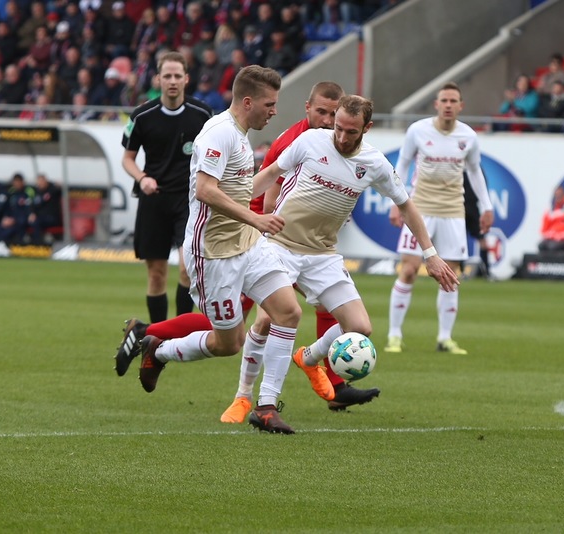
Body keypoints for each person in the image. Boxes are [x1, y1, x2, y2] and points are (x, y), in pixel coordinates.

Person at [244, 93, 458, 414]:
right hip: (280, 246)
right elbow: (271, 173)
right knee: (273, 317)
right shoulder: (312, 141)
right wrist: (233, 204)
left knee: (360, 327)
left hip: (323, 255)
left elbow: (407, 207)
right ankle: (263, 403)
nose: (342, 138)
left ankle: (308, 357)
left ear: (367, 128)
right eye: (338, 128)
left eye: (351, 132)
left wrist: (430, 254)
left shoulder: (374, 163)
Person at [135, 65, 310, 435]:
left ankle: (265, 406)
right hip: (213, 253)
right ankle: (158, 350)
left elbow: (243, 187)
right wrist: (256, 218)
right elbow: (205, 190)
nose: (274, 111)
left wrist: (281, 167)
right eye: (269, 103)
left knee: (288, 312)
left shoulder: (241, 134)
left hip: (248, 245)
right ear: (248, 102)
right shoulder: (218, 134)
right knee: (228, 344)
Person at [385, 82, 494, 355]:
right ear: (436, 104)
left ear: (460, 106)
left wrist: (487, 206)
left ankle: (445, 338)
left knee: (450, 275)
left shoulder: (468, 137)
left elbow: (476, 173)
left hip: (453, 212)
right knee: (408, 269)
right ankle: (394, 335)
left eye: (452, 100)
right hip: (419, 208)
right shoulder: (418, 131)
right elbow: (403, 164)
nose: (448, 105)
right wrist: (396, 201)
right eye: (443, 100)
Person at [120, 51, 213, 326]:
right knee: (157, 274)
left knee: (187, 269)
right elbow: (127, 159)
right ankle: (157, 336)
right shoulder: (141, 116)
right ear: (158, 79)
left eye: (177, 76)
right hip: (154, 200)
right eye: (167, 76)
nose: (172, 81)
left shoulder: (203, 114)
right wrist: (142, 178)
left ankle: (181, 335)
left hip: (190, 200)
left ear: (186, 79)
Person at [538, 185, 564, 253]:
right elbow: (543, 230)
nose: (558, 197)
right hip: (551, 240)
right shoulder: (550, 210)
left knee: (556, 247)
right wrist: (553, 235)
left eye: (560, 194)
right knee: (541, 246)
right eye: (556, 195)